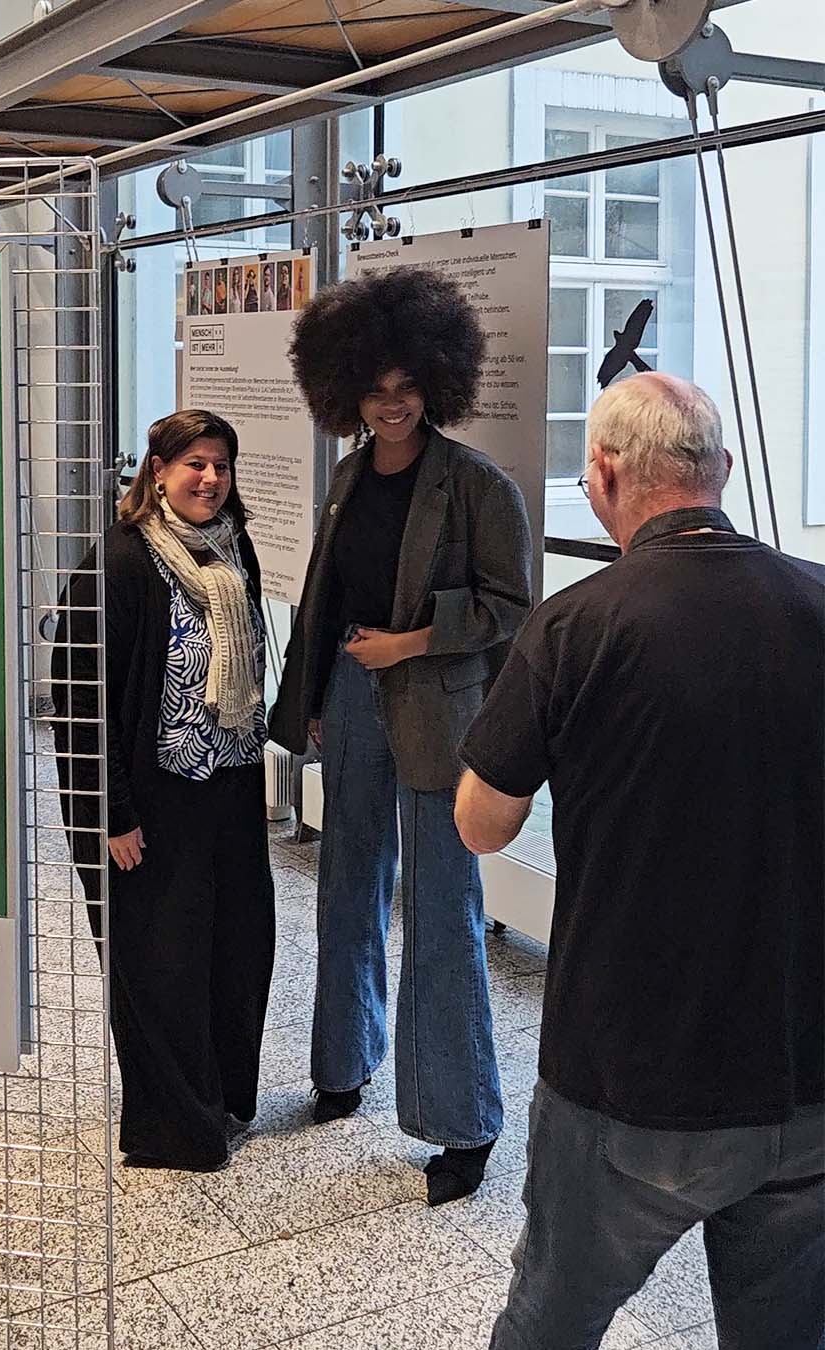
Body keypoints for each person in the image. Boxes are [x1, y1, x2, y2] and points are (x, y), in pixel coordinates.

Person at [454, 373, 825, 1349]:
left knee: (551, 1322)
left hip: (632, 1077)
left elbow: (482, 825)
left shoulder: (578, 627)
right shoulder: (819, 602)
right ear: (726, 471)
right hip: (805, 1068)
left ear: (605, 476)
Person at [270, 268, 532, 1205]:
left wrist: (410, 643)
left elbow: (513, 608)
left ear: (436, 383)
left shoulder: (475, 485)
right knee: (345, 882)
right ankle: (343, 1063)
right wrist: (311, 695)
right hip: (349, 696)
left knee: (441, 910)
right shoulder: (345, 476)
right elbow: (327, 592)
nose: (390, 403)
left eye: (406, 386)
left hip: (434, 710)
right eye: (374, 388)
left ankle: (462, 1126)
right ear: (346, 389)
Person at [52, 410, 275, 1171]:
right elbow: (80, 697)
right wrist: (109, 813)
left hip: (230, 791)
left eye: (221, 464)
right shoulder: (118, 562)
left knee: (234, 950)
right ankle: (175, 1127)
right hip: (150, 803)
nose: (209, 478)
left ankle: (222, 1097)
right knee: (161, 963)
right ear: (157, 471)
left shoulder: (232, 548)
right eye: (193, 464)